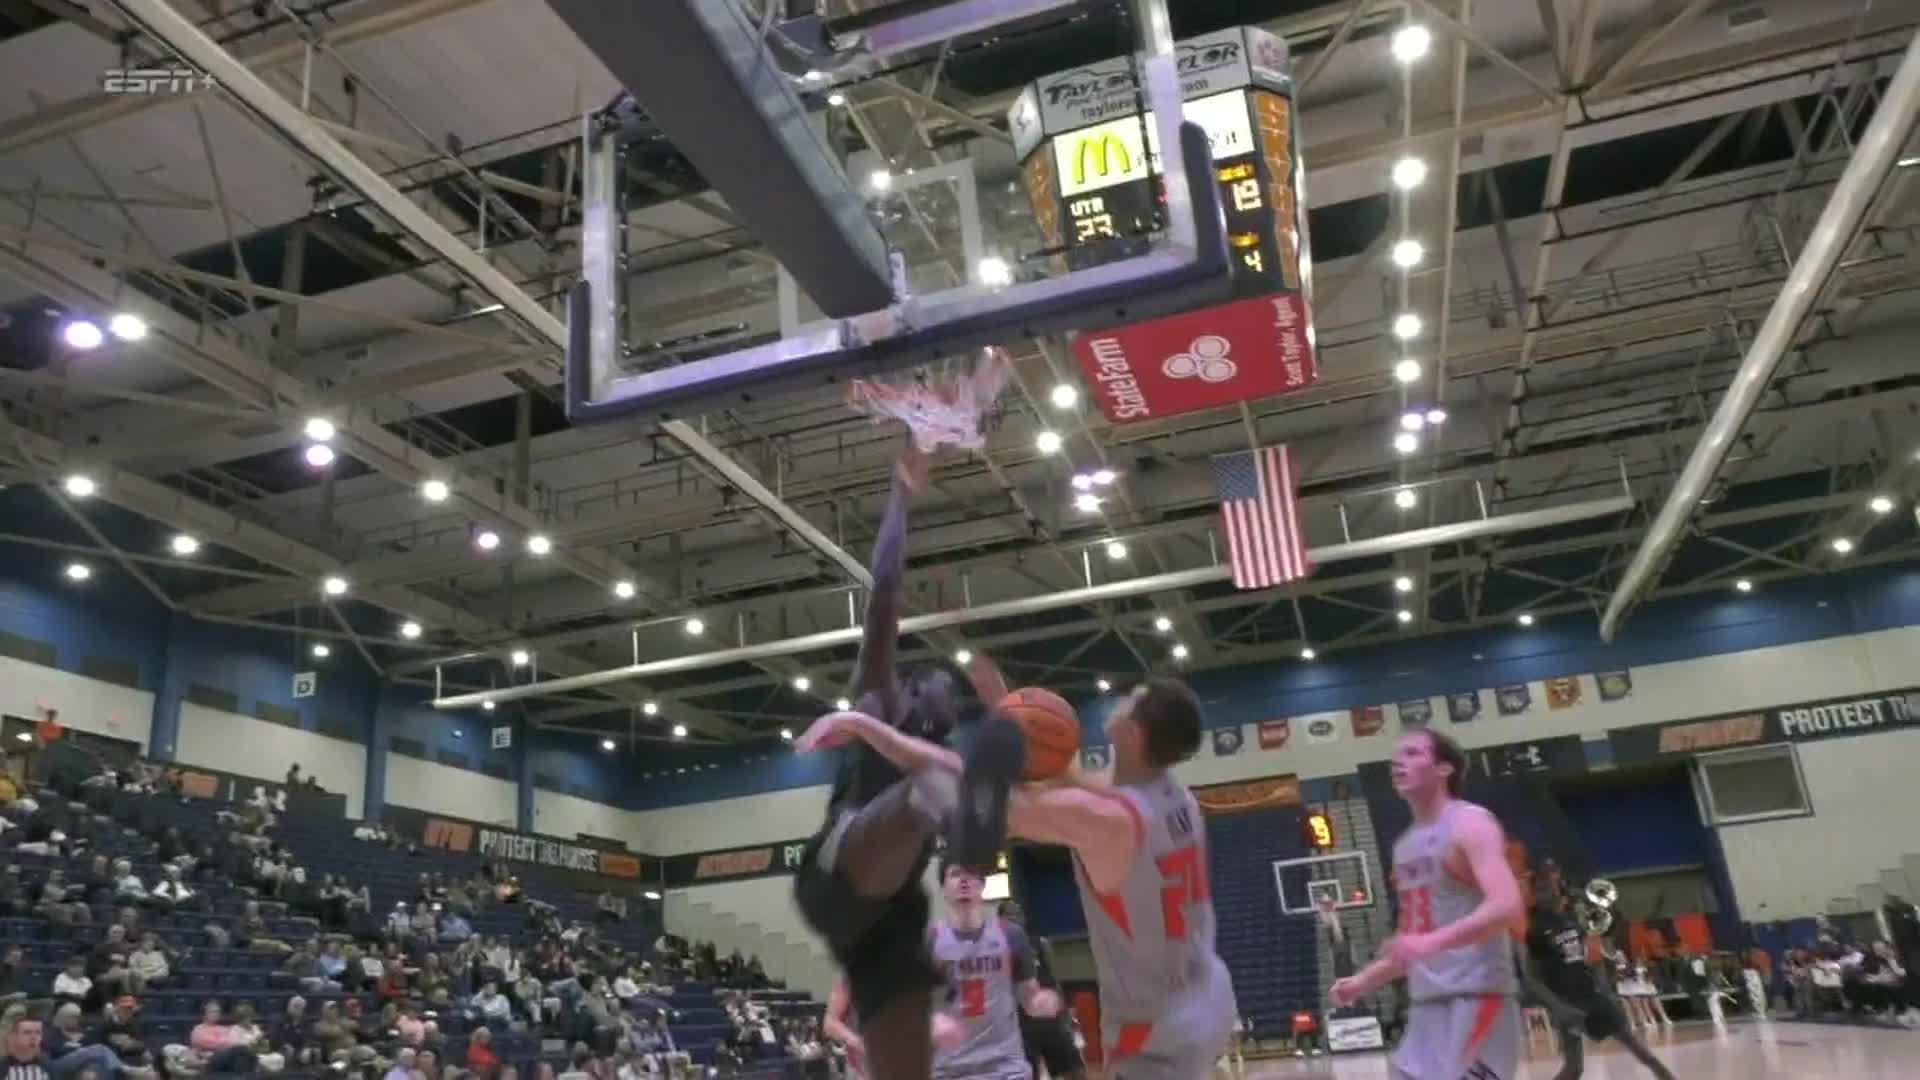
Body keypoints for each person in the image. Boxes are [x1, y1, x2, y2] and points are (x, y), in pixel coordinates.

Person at [789, 438, 1025, 1080]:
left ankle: (975, 843)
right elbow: (884, 594)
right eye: (934, 681)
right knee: (935, 784)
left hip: (885, 913)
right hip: (837, 865)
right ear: (910, 693)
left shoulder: (938, 750)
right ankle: (975, 840)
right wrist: (900, 497)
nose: (942, 685)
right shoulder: (880, 702)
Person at [999, 676, 1236, 1080]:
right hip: (1205, 992)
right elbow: (1079, 788)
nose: (1121, 698)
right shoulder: (1176, 795)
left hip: (1155, 1026)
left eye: (1131, 699)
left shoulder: (1114, 820)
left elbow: (1006, 813)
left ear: (1134, 733)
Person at [1331, 728, 1526, 1080]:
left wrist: (1430, 943)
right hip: (1425, 1008)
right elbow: (1414, 940)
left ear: (1444, 768)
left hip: (1476, 998)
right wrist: (1363, 980)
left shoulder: (1470, 822)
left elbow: (1506, 905)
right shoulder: (1404, 846)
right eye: (1395, 757)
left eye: (1412, 753)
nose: (1397, 763)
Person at [1520, 869, 1675, 1080]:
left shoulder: (1570, 920)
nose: (1550, 892)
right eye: (1542, 889)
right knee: (1574, 1069)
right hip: (1568, 1004)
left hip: (1593, 997)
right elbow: (1531, 979)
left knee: (1643, 1052)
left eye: (1552, 887)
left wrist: (1606, 980)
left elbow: (1586, 957)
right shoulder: (1532, 929)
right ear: (1533, 895)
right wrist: (1558, 1007)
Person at [929, 862, 1059, 1080]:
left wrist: (1040, 1001)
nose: (964, 881)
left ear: (982, 885)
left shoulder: (1010, 934)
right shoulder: (929, 939)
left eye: (971, 873)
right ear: (943, 887)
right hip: (948, 1069)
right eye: (955, 874)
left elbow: (1028, 996)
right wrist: (929, 1023)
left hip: (1006, 1067)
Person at [996, 901, 1084, 1080]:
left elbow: (1052, 978)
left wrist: (1064, 1011)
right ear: (1000, 920)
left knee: (1075, 1070)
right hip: (1019, 1023)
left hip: (1049, 1019)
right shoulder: (994, 949)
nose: (1015, 918)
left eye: (1018, 914)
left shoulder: (1039, 943)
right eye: (1009, 914)